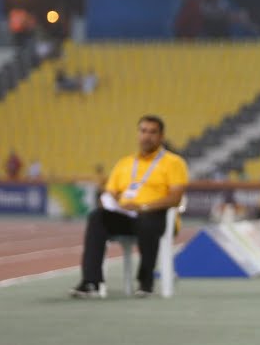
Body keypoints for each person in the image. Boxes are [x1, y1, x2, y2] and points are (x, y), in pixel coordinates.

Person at [70, 115, 189, 298]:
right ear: (138, 134)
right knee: (97, 217)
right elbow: (110, 192)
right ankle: (91, 282)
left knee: (147, 220)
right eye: (143, 131)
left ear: (161, 136)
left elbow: (175, 198)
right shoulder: (125, 163)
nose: (147, 136)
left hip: (158, 216)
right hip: (127, 216)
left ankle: (145, 282)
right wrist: (113, 203)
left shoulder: (174, 162)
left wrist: (143, 207)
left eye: (152, 132)